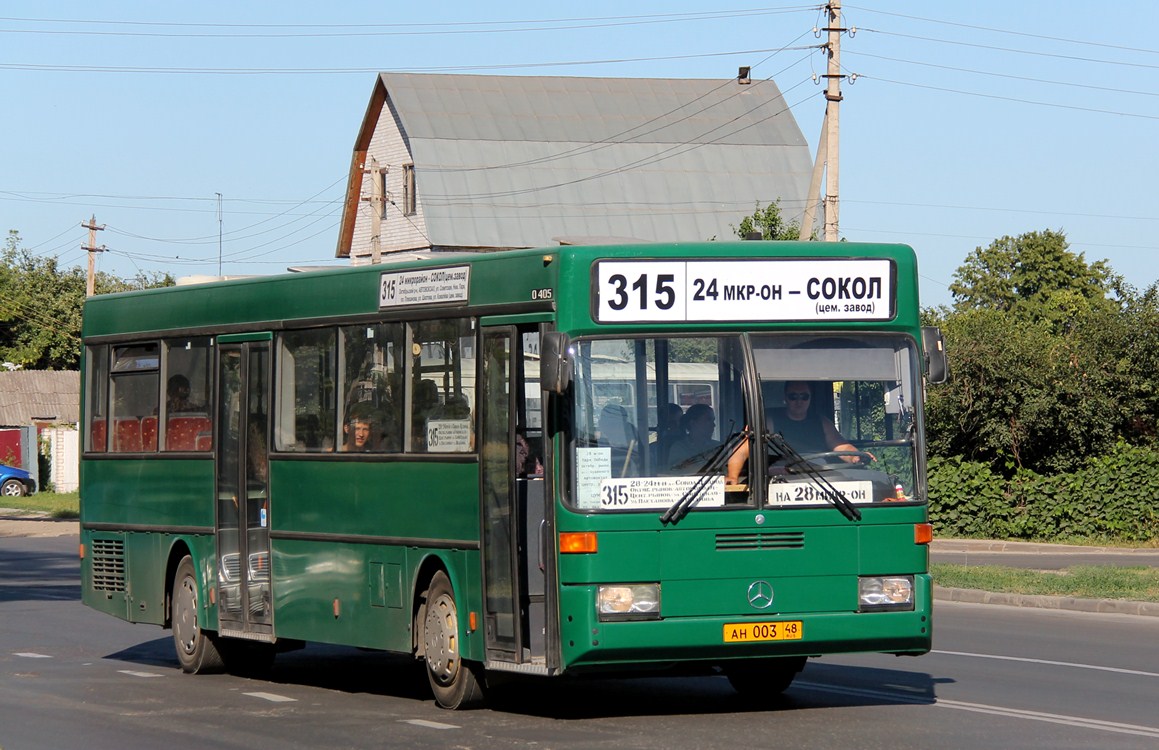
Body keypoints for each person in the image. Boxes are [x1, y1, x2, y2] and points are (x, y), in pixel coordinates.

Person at [726, 381, 864, 485]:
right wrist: (732, 477)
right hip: (783, 481)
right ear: (785, 398)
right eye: (793, 396)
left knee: (876, 479)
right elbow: (742, 451)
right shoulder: (769, 421)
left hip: (820, 479)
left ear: (810, 398)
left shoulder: (821, 421)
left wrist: (855, 456)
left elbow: (841, 446)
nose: (799, 401)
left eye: (804, 397)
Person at [666, 403, 718, 468]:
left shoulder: (718, 447)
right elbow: (677, 472)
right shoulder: (679, 448)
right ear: (693, 423)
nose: (713, 425)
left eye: (713, 420)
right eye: (708, 420)